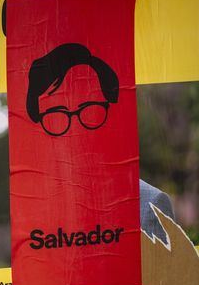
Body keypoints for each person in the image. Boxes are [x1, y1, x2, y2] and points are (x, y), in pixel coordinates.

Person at [25, 42, 176, 244]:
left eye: (90, 107)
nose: (76, 130)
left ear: (110, 112)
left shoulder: (150, 204)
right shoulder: (31, 208)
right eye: (56, 115)